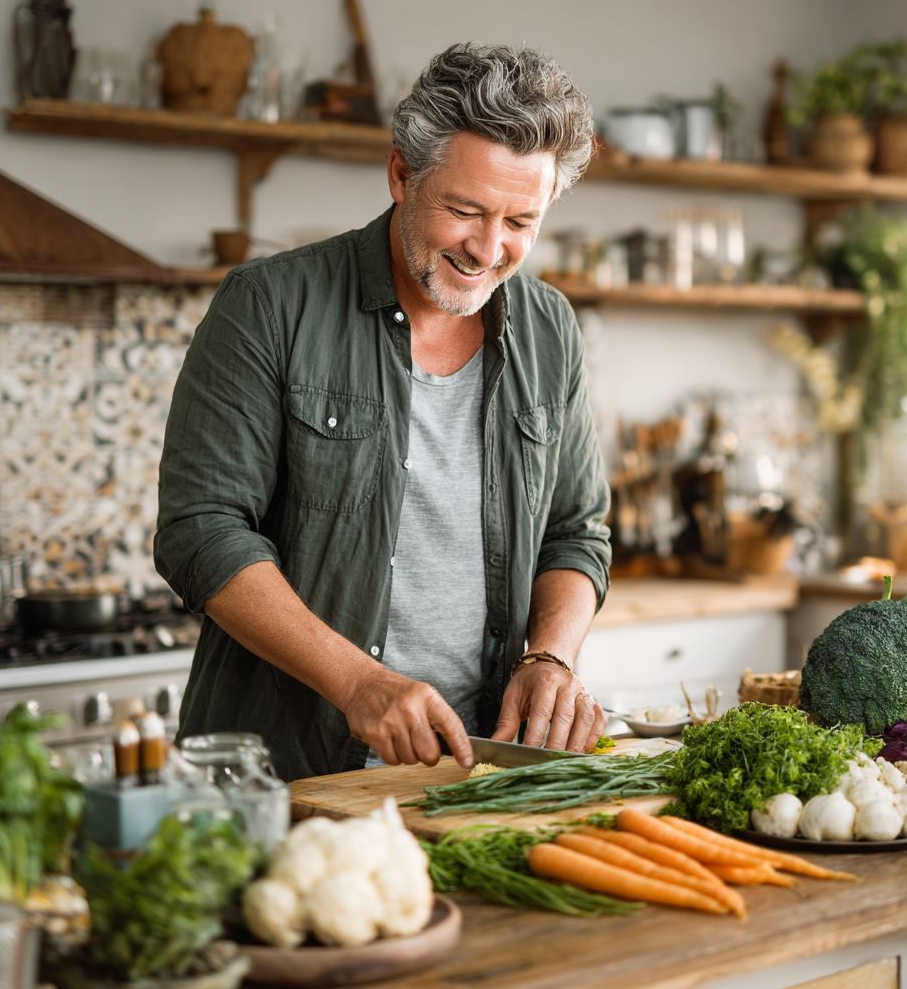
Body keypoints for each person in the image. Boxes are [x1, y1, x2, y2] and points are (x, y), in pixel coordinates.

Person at [154, 43, 611, 782]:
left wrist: (550, 654)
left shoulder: (550, 326)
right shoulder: (269, 305)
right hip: (288, 774)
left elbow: (575, 533)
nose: (487, 250)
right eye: (464, 210)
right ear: (402, 173)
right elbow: (200, 531)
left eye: (521, 222)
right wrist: (358, 683)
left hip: (478, 773)